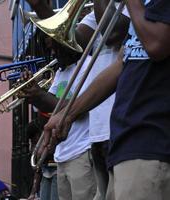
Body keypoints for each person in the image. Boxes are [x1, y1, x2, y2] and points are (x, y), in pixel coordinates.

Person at [44, 0, 170, 199]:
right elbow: (121, 63)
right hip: (126, 142)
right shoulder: (145, 8)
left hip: (151, 141)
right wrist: (67, 114)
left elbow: (157, 44)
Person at [25, 0, 130, 199]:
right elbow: (69, 43)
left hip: (119, 127)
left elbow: (113, 34)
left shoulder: (133, 7)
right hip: (98, 133)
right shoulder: (95, 16)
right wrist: (40, 6)